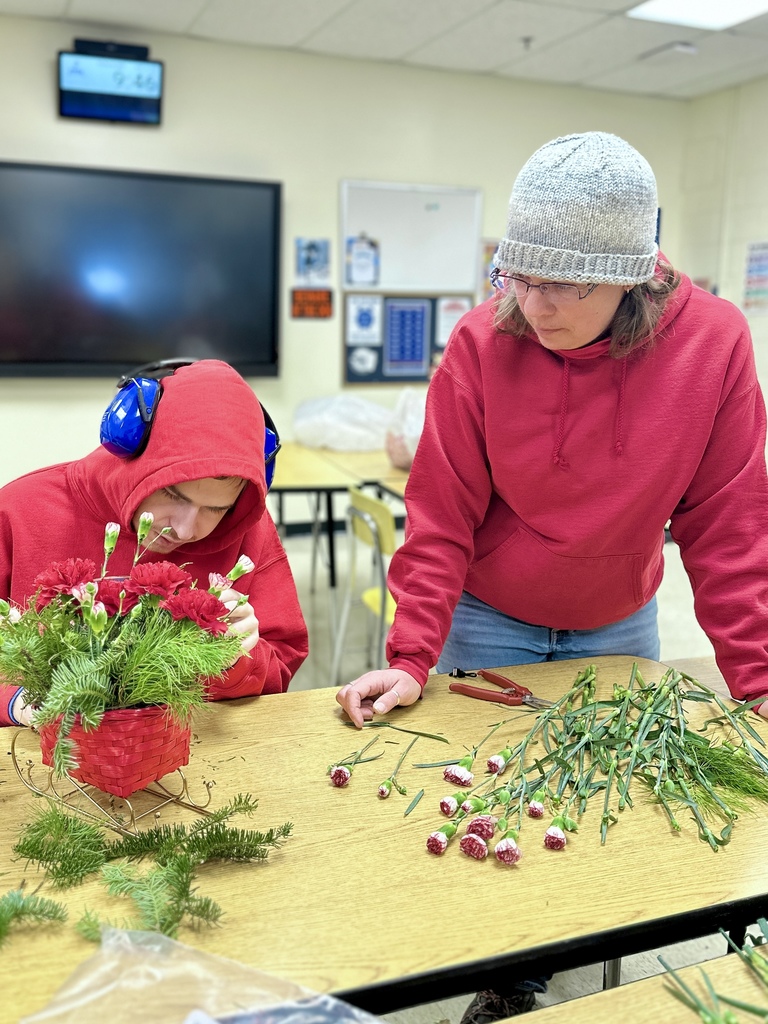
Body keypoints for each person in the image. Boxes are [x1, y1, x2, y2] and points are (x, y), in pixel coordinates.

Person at [336, 131, 768, 1022]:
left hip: (618, 616)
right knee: (487, 791)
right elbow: (442, 508)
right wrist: (412, 654)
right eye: (518, 275)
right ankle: (505, 976)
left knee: (607, 790)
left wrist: (758, 683)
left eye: (566, 283)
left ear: (636, 274)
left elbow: (729, 523)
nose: (534, 304)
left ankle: (590, 951)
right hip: (490, 614)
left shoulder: (714, 346)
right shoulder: (481, 342)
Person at [0, 358, 308, 727]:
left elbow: (280, 666)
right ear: (130, 449)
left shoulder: (246, 528)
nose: (184, 529)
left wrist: (241, 658)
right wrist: (16, 701)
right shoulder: (19, 511)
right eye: (173, 495)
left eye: (214, 508)